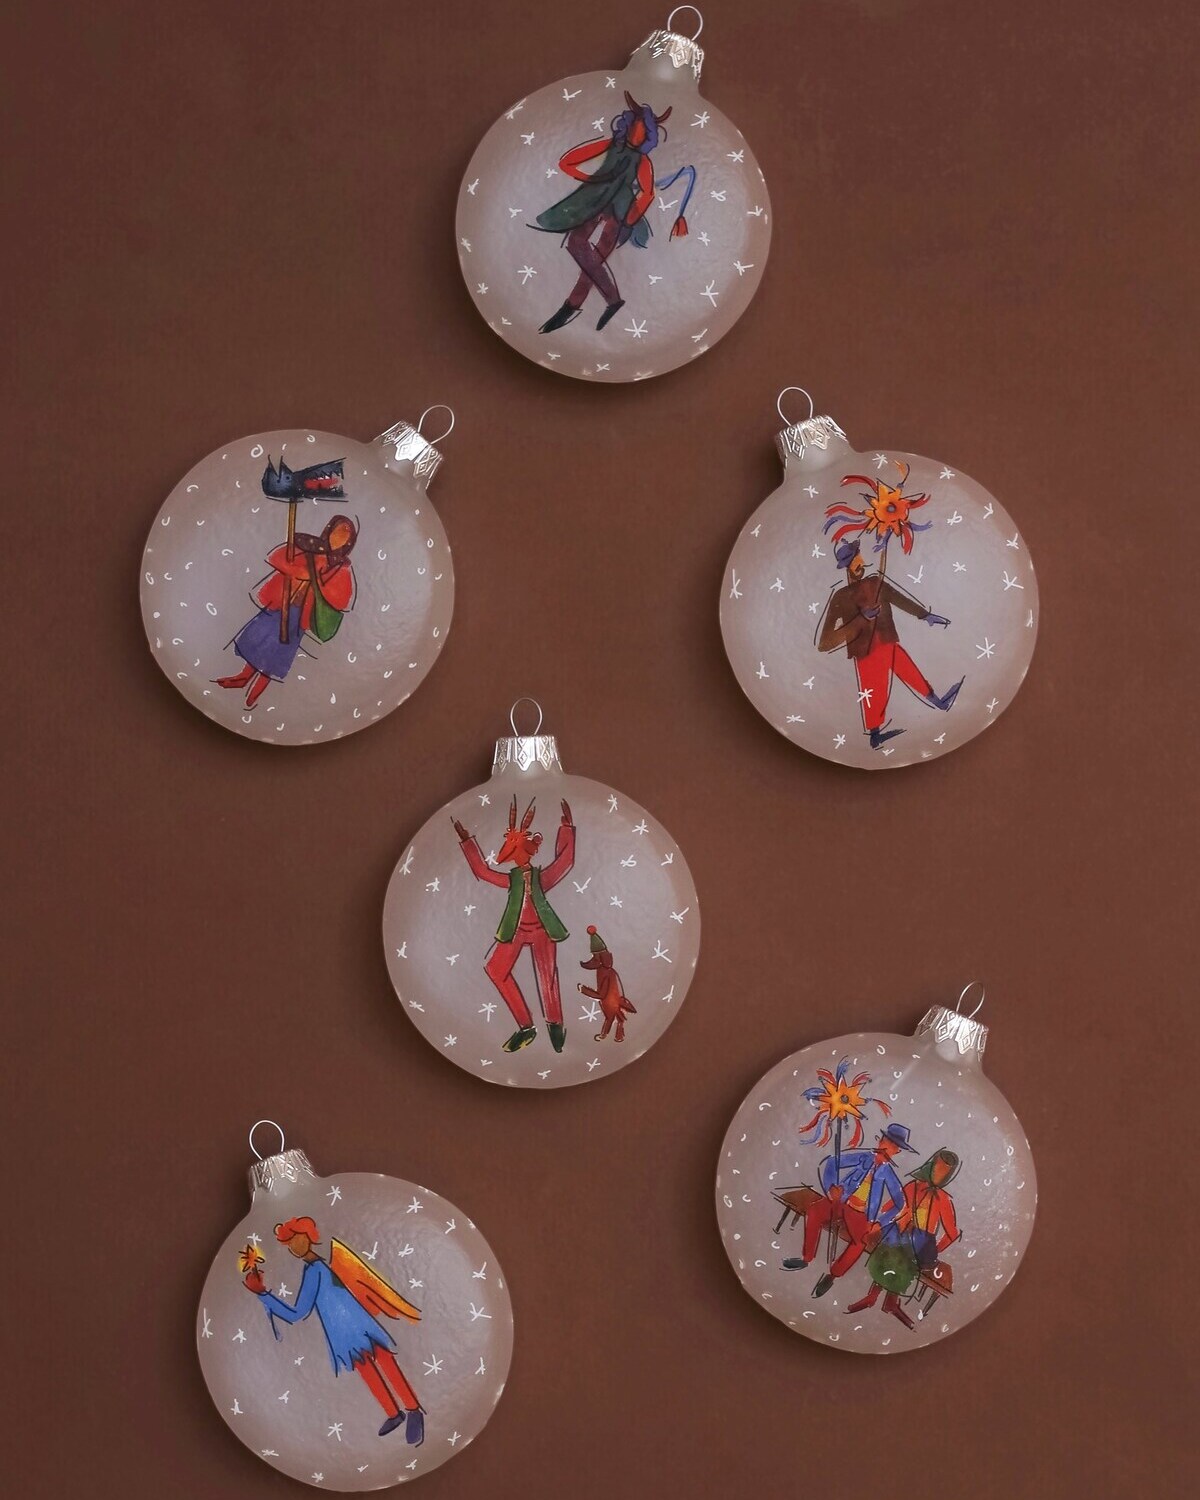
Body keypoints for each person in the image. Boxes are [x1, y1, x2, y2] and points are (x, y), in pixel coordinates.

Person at [244, 1216, 424, 1444]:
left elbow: (297, 1313)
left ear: (309, 1237)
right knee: (365, 1368)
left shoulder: (317, 1270)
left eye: (296, 1239)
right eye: (289, 1244)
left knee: (384, 1359)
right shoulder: (314, 1269)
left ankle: (413, 1410)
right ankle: (393, 1413)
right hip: (339, 1331)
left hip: (357, 1322)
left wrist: (263, 1295)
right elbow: (299, 1313)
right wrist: (262, 1294)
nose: (294, 1247)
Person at [532, 92, 694, 333]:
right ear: (628, 125)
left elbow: (648, 193)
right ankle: (613, 300)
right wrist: (589, 179)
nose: (638, 134)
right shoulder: (611, 145)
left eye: (644, 131)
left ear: (649, 135)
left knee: (595, 258)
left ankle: (570, 307)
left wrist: (631, 217)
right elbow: (567, 161)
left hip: (619, 209)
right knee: (577, 244)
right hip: (593, 201)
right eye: (636, 127)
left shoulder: (642, 161)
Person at [454, 797, 576, 1054]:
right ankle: (526, 1026)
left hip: (543, 930)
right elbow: (483, 872)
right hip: (516, 931)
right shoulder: (513, 879)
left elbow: (565, 862)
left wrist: (567, 829)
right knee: (495, 969)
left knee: (547, 978)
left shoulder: (541, 878)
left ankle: (556, 1028)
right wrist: (467, 842)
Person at [816, 537, 962, 750]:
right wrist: (861, 619)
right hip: (865, 654)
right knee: (874, 692)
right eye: (855, 560)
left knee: (912, 673)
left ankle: (940, 703)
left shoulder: (876, 583)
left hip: (888, 644)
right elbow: (825, 643)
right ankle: (875, 736)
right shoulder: (841, 597)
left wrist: (925, 615)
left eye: (859, 557)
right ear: (847, 565)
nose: (861, 562)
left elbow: (900, 600)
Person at [216, 514, 357, 710]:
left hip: (300, 617)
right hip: (279, 604)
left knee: (278, 652)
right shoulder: (309, 547)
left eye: (344, 534)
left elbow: (341, 599)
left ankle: (257, 690)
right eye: (337, 531)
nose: (338, 538)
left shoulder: (341, 568)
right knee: (259, 639)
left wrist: (317, 581)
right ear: (329, 530)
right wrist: (299, 572)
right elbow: (277, 557)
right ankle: (243, 677)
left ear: (349, 541)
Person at [781, 1123, 918, 1296]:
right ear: (880, 1140)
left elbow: (900, 1203)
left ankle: (833, 1275)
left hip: (860, 1213)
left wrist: (880, 1223)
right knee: (814, 1211)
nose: (888, 1147)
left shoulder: (888, 1174)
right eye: (887, 1141)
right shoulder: (863, 1157)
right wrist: (831, 1187)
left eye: (893, 1146)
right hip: (840, 1200)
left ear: (896, 1151)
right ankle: (806, 1258)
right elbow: (832, 1161)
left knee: (860, 1242)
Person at [846, 1149, 962, 1328]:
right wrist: (882, 1219)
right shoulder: (912, 1187)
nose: (939, 1175)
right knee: (891, 1247)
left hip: (921, 1243)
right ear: (931, 1166)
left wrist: (935, 1249)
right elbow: (889, 1206)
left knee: (905, 1252)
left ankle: (884, 1299)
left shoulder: (943, 1200)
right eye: (938, 1169)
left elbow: (952, 1233)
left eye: (944, 1173)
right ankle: (879, 1298)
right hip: (899, 1234)